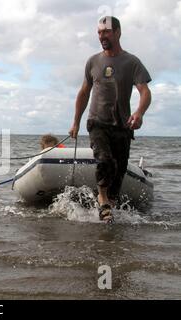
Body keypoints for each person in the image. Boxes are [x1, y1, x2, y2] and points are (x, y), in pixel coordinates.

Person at [69, 16, 152, 222]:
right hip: (97, 122)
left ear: (117, 32)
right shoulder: (93, 61)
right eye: (99, 32)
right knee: (105, 160)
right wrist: (76, 122)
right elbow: (83, 92)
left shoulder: (132, 62)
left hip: (122, 125)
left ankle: (109, 207)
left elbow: (145, 91)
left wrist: (139, 113)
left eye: (106, 32)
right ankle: (102, 198)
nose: (102, 36)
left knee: (120, 168)